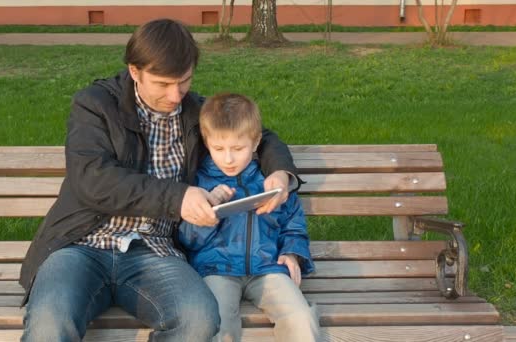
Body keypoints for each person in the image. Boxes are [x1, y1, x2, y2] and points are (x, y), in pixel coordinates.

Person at [19, 19, 301, 342]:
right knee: (49, 324)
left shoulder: (195, 111)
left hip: (155, 251)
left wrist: (281, 172)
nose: (175, 94)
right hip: (81, 246)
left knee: (199, 319)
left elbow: (261, 138)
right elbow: (92, 178)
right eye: (163, 83)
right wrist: (178, 199)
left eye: (184, 81)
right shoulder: (96, 105)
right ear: (135, 72)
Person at [178, 93, 319, 342]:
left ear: (255, 143)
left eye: (238, 148)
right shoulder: (200, 183)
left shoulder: (270, 181)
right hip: (216, 270)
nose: (228, 158)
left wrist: (292, 253)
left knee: (300, 317)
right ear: (206, 142)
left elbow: (293, 223)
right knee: (217, 326)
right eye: (218, 149)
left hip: (267, 268)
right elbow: (187, 239)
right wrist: (210, 211)